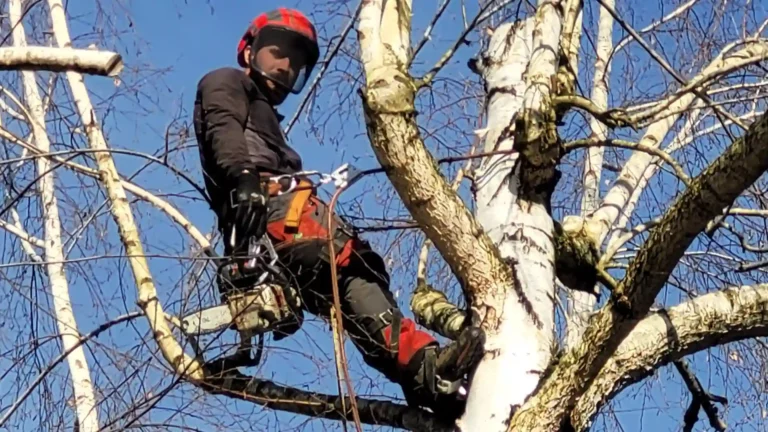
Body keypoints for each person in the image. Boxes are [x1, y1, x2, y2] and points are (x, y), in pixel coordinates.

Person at [192, 7, 485, 419]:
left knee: (360, 285)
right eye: (277, 52)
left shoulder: (266, 117)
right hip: (271, 214)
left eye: (295, 62)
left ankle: (427, 377)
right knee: (350, 271)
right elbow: (222, 129)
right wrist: (242, 180)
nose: (285, 66)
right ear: (249, 51)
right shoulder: (224, 82)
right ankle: (426, 371)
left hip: (291, 219)